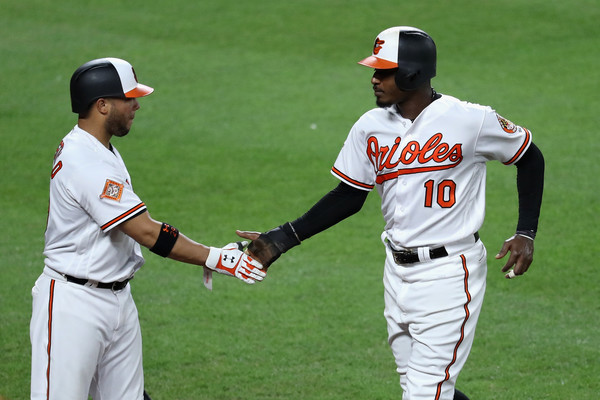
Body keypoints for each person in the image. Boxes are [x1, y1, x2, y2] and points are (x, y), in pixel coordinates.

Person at [237, 26, 544, 399]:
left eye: (383, 71)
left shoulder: (471, 120)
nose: (374, 79)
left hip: (449, 273)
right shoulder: (370, 126)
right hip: (395, 272)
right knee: (423, 387)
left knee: (424, 391)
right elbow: (348, 196)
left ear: (411, 74)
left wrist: (526, 232)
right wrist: (280, 239)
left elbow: (530, 157)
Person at [30, 57, 266, 400]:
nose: (137, 105)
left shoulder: (100, 149)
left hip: (117, 300)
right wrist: (216, 257)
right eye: (129, 98)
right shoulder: (86, 161)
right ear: (102, 105)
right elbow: (145, 231)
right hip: (73, 307)